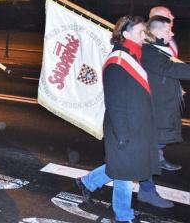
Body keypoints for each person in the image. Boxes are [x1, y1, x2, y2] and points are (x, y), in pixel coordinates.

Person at [77, 16, 160, 223]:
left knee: (121, 166)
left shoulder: (135, 54)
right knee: (124, 173)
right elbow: (114, 102)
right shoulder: (118, 61)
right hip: (122, 128)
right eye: (141, 32)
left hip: (134, 125)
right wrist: (122, 133)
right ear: (126, 34)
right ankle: (123, 217)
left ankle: (87, 182)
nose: (144, 36)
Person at [135, 15, 190, 208]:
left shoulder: (158, 51)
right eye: (168, 30)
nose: (172, 33)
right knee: (143, 155)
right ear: (156, 32)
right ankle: (147, 192)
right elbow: (173, 70)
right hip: (153, 114)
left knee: (142, 154)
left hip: (160, 113)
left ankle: (89, 181)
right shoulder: (150, 52)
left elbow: (168, 74)